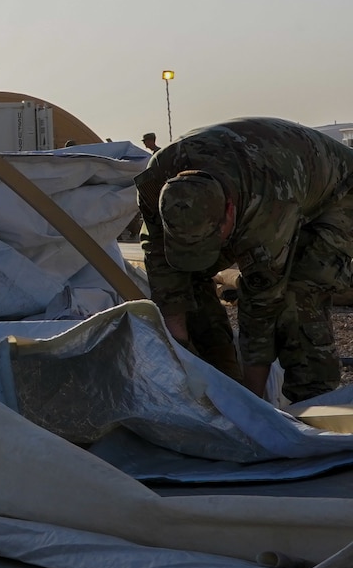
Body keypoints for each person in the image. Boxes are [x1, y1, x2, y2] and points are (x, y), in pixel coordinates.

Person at [138, 117, 353, 401]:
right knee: (187, 277)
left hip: (340, 193)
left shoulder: (268, 207)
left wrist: (253, 406)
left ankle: (313, 404)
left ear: (229, 213)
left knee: (298, 295)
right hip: (265, 175)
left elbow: (260, 309)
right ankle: (219, 383)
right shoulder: (157, 182)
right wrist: (180, 345)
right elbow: (159, 260)